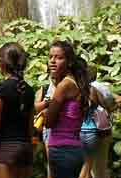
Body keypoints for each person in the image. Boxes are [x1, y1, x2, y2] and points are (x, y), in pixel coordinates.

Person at [0, 43, 35, 178]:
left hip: (6, 150)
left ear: (2, 63)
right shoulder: (29, 90)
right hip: (25, 150)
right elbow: (30, 128)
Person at [42, 41, 90, 178]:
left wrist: (46, 112)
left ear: (69, 62)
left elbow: (49, 123)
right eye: (50, 57)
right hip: (74, 147)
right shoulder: (75, 82)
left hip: (61, 148)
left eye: (58, 57)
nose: (52, 61)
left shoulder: (63, 86)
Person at [79, 67, 116, 178]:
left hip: (77, 131)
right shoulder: (98, 88)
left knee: (84, 165)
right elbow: (106, 105)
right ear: (95, 76)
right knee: (94, 166)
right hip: (95, 130)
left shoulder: (74, 87)